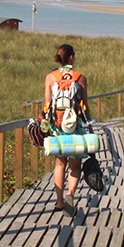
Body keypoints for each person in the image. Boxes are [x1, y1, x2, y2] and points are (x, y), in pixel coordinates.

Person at [43, 43, 89, 211]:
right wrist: (89, 126)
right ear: (71, 57)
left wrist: (45, 124)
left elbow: (47, 105)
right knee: (75, 165)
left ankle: (60, 202)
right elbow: (85, 106)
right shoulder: (80, 77)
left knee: (59, 164)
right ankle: (71, 193)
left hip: (57, 125)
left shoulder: (50, 77)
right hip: (75, 125)